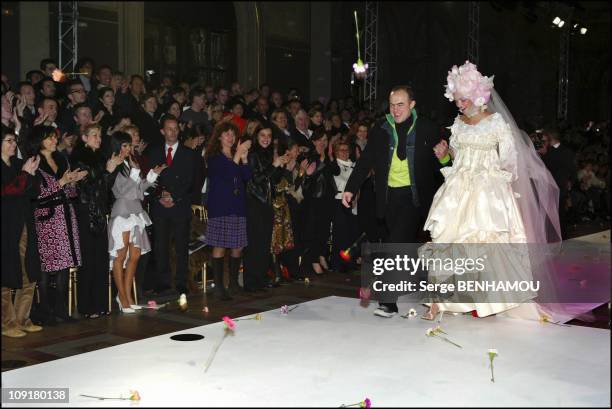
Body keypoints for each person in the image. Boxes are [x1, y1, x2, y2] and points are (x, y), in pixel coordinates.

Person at [421, 61, 562, 319]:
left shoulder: (496, 123)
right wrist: (444, 155)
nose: (459, 104)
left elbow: (510, 159)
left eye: (463, 99)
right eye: (457, 99)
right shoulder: (459, 123)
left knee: (485, 242)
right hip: (458, 189)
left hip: (487, 191)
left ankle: (488, 300)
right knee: (447, 240)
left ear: (477, 95)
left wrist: (503, 190)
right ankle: (441, 301)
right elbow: (454, 156)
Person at [342, 85, 446, 318]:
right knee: (397, 245)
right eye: (392, 104)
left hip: (414, 197)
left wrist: (445, 157)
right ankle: (411, 280)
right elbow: (366, 159)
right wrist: (351, 188)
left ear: (412, 104)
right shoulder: (381, 128)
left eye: (401, 104)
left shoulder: (428, 128)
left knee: (396, 243)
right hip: (387, 197)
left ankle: (387, 301)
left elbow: (444, 165)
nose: (396, 109)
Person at [30, 125, 88, 325]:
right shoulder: (33, 163)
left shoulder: (61, 159)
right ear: (40, 141)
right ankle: (46, 312)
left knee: (64, 266)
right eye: (50, 138)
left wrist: (72, 182)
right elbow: (37, 195)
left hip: (65, 217)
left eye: (55, 138)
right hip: (46, 220)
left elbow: (70, 193)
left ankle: (61, 310)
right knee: (46, 268)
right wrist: (61, 183)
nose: (55, 141)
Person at [107, 132, 166, 313]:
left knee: (134, 257)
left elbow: (139, 190)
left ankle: (127, 295)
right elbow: (121, 191)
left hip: (135, 211)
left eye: (128, 146)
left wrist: (151, 176)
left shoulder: (130, 163)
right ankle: (123, 297)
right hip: (122, 211)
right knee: (120, 256)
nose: (127, 149)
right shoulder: (114, 164)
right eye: (124, 146)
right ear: (117, 146)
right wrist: (134, 172)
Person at [148, 115, 200, 295]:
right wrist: (160, 195)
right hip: (160, 205)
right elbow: (148, 178)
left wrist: (174, 196)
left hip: (180, 205)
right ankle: (162, 282)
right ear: (162, 131)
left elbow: (191, 180)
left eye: (175, 128)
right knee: (160, 246)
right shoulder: (153, 152)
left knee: (181, 246)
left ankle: (181, 282)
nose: (173, 132)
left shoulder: (188, 153)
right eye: (169, 129)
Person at [1, 127, 43, 337]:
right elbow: (8, 191)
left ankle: (22, 318)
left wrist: (31, 174)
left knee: (30, 270)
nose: (13, 144)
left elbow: (34, 192)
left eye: (14, 141)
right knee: (5, 274)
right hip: (6, 227)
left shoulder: (19, 164)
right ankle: (7, 323)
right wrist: (26, 174)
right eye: (8, 140)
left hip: (25, 223)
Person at [205, 121, 252, 300]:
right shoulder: (213, 157)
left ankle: (233, 283)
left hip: (238, 205)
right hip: (221, 205)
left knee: (238, 245)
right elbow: (228, 173)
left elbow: (246, 176)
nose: (231, 138)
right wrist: (238, 156)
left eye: (233, 134)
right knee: (220, 244)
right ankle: (218, 286)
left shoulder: (236, 155)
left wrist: (244, 157)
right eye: (227, 134)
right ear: (219, 137)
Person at [70, 124, 113, 318]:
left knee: (101, 258)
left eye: (100, 135)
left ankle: (101, 303)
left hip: (100, 211)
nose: (99, 138)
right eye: (94, 135)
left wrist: (108, 170)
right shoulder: (79, 156)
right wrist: (106, 171)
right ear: (85, 137)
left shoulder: (102, 156)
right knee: (88, 258)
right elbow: (88, 184)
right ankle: (87, 306)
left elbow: (106, 187)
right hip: (85, 211)